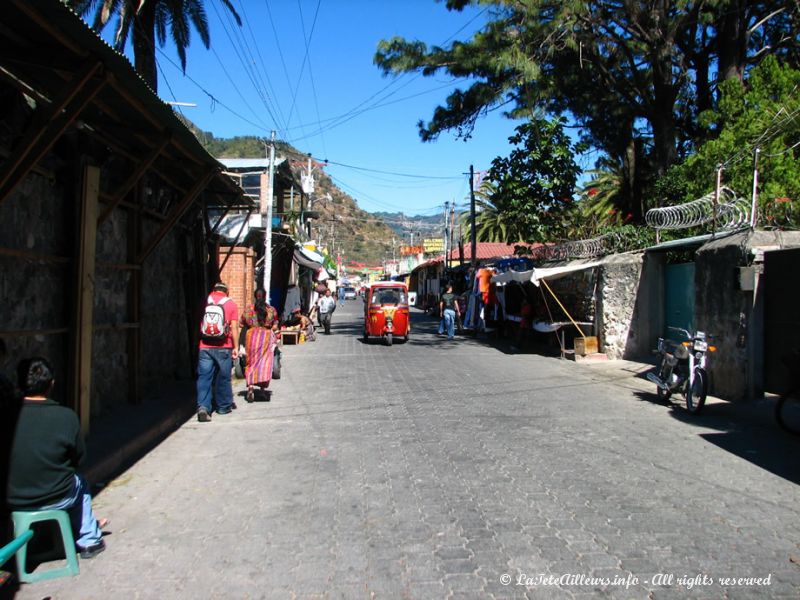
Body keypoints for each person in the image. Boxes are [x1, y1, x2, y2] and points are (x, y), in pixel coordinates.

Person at [7, 357, 107, 558]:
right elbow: (79, 458)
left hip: (12, 497)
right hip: (56, 495)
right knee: (80, 483)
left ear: (18, 384)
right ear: (51, 384)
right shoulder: (66, 416)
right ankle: (89, 540)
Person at [196, 282, 239, 422]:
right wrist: (236, 347)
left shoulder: (205, 301)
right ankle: (223, 406)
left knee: (204, 377)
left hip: (205, 345)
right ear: (227, 292)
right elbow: (234, 328)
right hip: (223, 346)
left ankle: (203, 406)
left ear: (214, 290)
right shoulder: (231, 304)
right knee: (224, 376)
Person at [243, 302, 279, 403]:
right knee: (264, 364)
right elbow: (275, 324)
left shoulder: (248, 309)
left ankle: (250, 388)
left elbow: (242, 323)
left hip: (251, 337)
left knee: (250, 363)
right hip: (265, 337)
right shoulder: (271, 309)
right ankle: (262, 391)